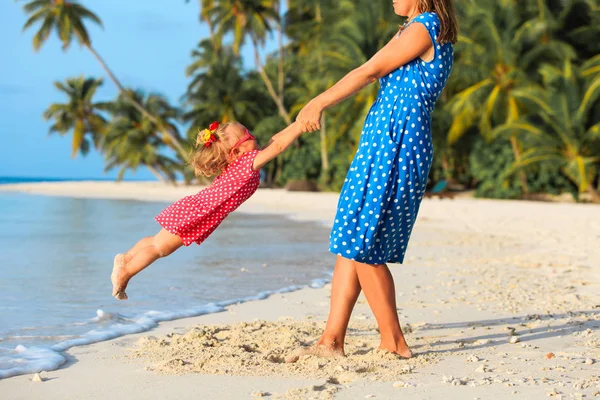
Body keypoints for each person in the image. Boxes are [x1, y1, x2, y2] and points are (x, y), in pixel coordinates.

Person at [292, 0, 458, 359]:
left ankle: (394, 343)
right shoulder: (412, 28)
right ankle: (331, 341)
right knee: (350, 237)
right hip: (382, 138)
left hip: (398, 140)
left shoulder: (427, 25)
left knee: (365, 241)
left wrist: (318, 102)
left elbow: (370, 71)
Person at [110, 121, 305, 300]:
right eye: (248, 135)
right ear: (236, 152)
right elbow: (278, 146)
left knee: (155, 241)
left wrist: (298, 122)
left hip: (196, 207)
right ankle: (125, 273)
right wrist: (300, 127)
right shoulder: (248, 162)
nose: (253, 136)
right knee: (160, 249)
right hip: (199, 213)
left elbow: (275, 140)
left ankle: (125, 258)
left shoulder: (244, 161)